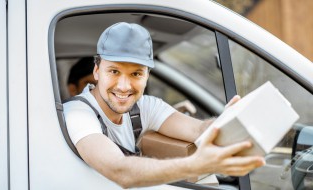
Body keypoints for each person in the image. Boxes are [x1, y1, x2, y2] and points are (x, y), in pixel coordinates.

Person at [63, 22, 265, 188]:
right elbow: (120, 170)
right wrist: (194, 165)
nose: (124, 87)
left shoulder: (144, 106)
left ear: (147, 76)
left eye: (136, 74)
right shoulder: (77, 113)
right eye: (114, 71)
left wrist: (229, 121)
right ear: (97, 71)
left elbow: (198, 129)